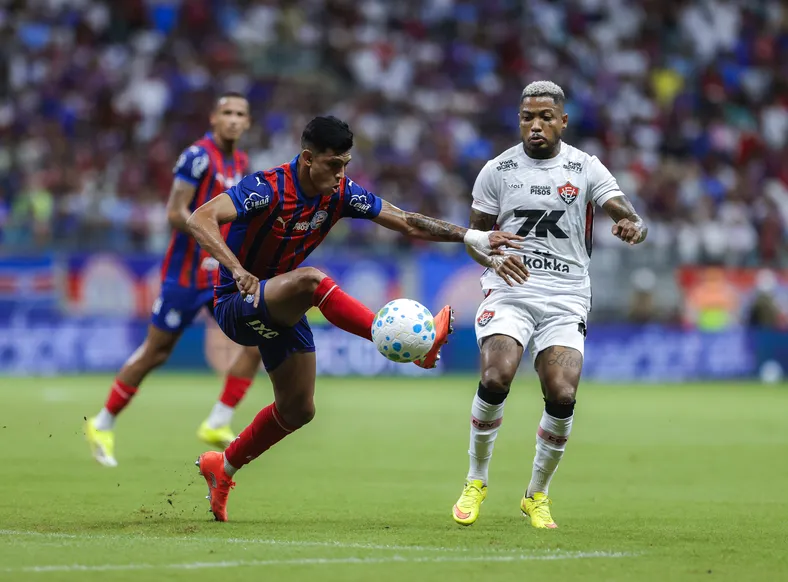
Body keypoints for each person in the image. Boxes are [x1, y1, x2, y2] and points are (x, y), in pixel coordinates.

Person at [188, 115, 523, 521]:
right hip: (236, 302)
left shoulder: (341, 193)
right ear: (308, 158)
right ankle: (407, 349)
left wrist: (470, 236)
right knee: (312, 282)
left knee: (299, 410)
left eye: (346, 163)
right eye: (334, 164)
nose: (342, 173)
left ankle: (221, 467)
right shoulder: (266, 188)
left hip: (279, 304)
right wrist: (236, 269)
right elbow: (199, 218)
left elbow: (403, 220)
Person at [451, 81, 648, 529]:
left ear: (562, 121)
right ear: (519, 120)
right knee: (496, 374)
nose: (535, 125)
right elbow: (475, 238)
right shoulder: (497, 171)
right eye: (527, 117)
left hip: (566, 296)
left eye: (544, 117)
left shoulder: (585, 167)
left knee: (562, 392)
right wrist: (491, 258)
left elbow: (623, 210)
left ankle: (536, 494)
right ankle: (476, 479)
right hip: (511, 290)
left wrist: (633, 226)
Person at [84, 92, 263, 467]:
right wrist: (213, 237)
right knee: (155, 352)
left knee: (255, 341)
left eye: (240, 114)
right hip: (184, 277)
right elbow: (175, 212)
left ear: (247, 123)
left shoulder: (242, 161)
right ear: (213, 118)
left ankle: (218, 420)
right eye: (226, 112)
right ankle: (102, 423)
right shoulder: (197, 157)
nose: (233, 119)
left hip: (220, 275)